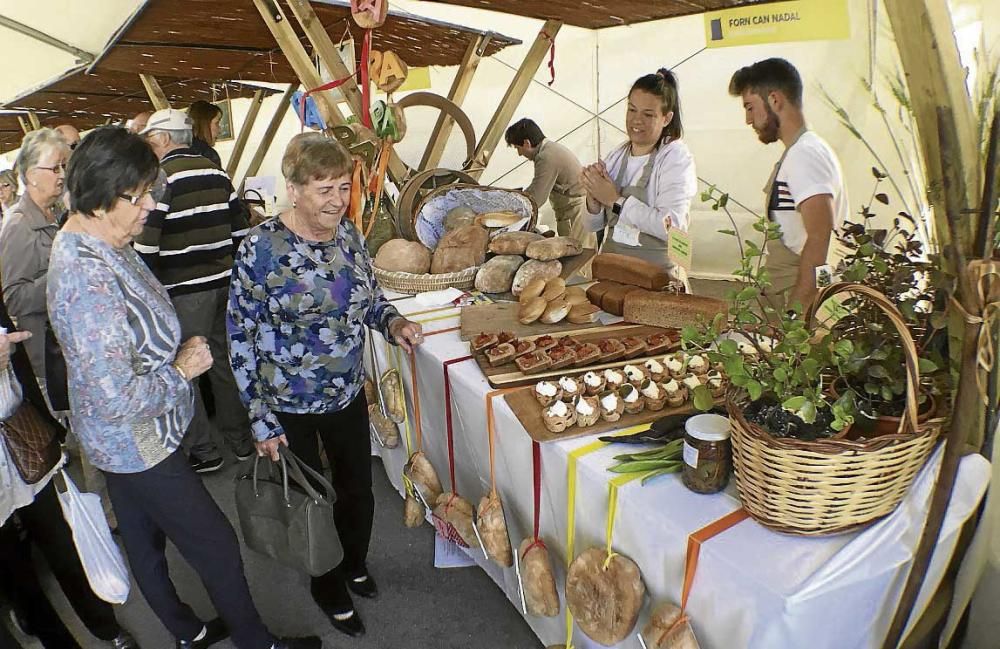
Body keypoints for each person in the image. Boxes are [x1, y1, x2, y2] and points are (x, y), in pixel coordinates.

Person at [46, 126, 320, 649]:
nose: (151, 205)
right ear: (102, 198)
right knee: (215, 542)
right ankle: (254, 642)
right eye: (140, 195)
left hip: (118, 440)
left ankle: (186, 631)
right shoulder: (86, 278)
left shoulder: (97, 237)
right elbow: (116, 396)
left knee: (146, 542)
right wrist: (181, 370)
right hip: (136, 441)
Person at [227, 134, 424, 639]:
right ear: (292, 190)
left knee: (359, 491)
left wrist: (393, 321)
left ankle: (353, 562)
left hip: (344, 393)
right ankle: (326, 583)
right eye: (323, 190)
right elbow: (240, 334)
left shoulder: (349, 234)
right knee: (313, 503)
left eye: (342, 187)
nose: (337, 200)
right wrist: (259, 415)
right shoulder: (260, 249)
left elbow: (369, 296)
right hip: (286, 402)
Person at [0, 298, 139, 649]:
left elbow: (16, 353)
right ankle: (56, 640)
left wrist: (48, 420)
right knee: (14, 567)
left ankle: (105, 626)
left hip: (19, 426)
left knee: (61, 539)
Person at [135, 108, 254, 472]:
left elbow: (145, 247)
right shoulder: (216, 171)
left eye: (151, 140)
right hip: (224, 286)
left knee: (187, 367)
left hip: (184, 292)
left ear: (165, 139)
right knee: (222, 363)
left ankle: (205, 450)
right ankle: (242, 442)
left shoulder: (161, 178)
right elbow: (240, 231)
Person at [728, 58, 848, 310]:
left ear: (775, 100)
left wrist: (799, 313)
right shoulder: (800, 152)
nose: (748, 120)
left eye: (750, 107)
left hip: (802, 301)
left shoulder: (805, 154)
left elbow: (820, 240)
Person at [581, 69, 698, 279]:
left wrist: (615, 200)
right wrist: (593, 197)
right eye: (632, 110)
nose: (636, 120)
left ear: (666, 118)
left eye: (648, 114)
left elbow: (673, 227)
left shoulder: (675, 157)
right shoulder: (617, 155)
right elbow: (593, 226)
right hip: (612, 272)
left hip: (657, 278)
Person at [0, 128, 70, 378]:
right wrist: (63, 276)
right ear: (31, 175)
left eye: (64, 166)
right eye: (55, 168)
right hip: (48, 358)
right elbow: (14, 298)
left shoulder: (60, 214)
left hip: (67, 348)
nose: (62, 175)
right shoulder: (19, 225)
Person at [505, 118, 595, 248]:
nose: (519, 154)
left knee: (577, 262)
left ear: (526, 143)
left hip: (576, 215)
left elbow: (537, 197)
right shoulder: (549, 149)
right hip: (575, 213)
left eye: (517, 148)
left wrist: (511, 210)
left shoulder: (546, 156)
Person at [187, 100, 223, 168]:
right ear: (204, 124)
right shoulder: (208, 155)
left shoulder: (177, 150)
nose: (220, 130)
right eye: (217, 123)